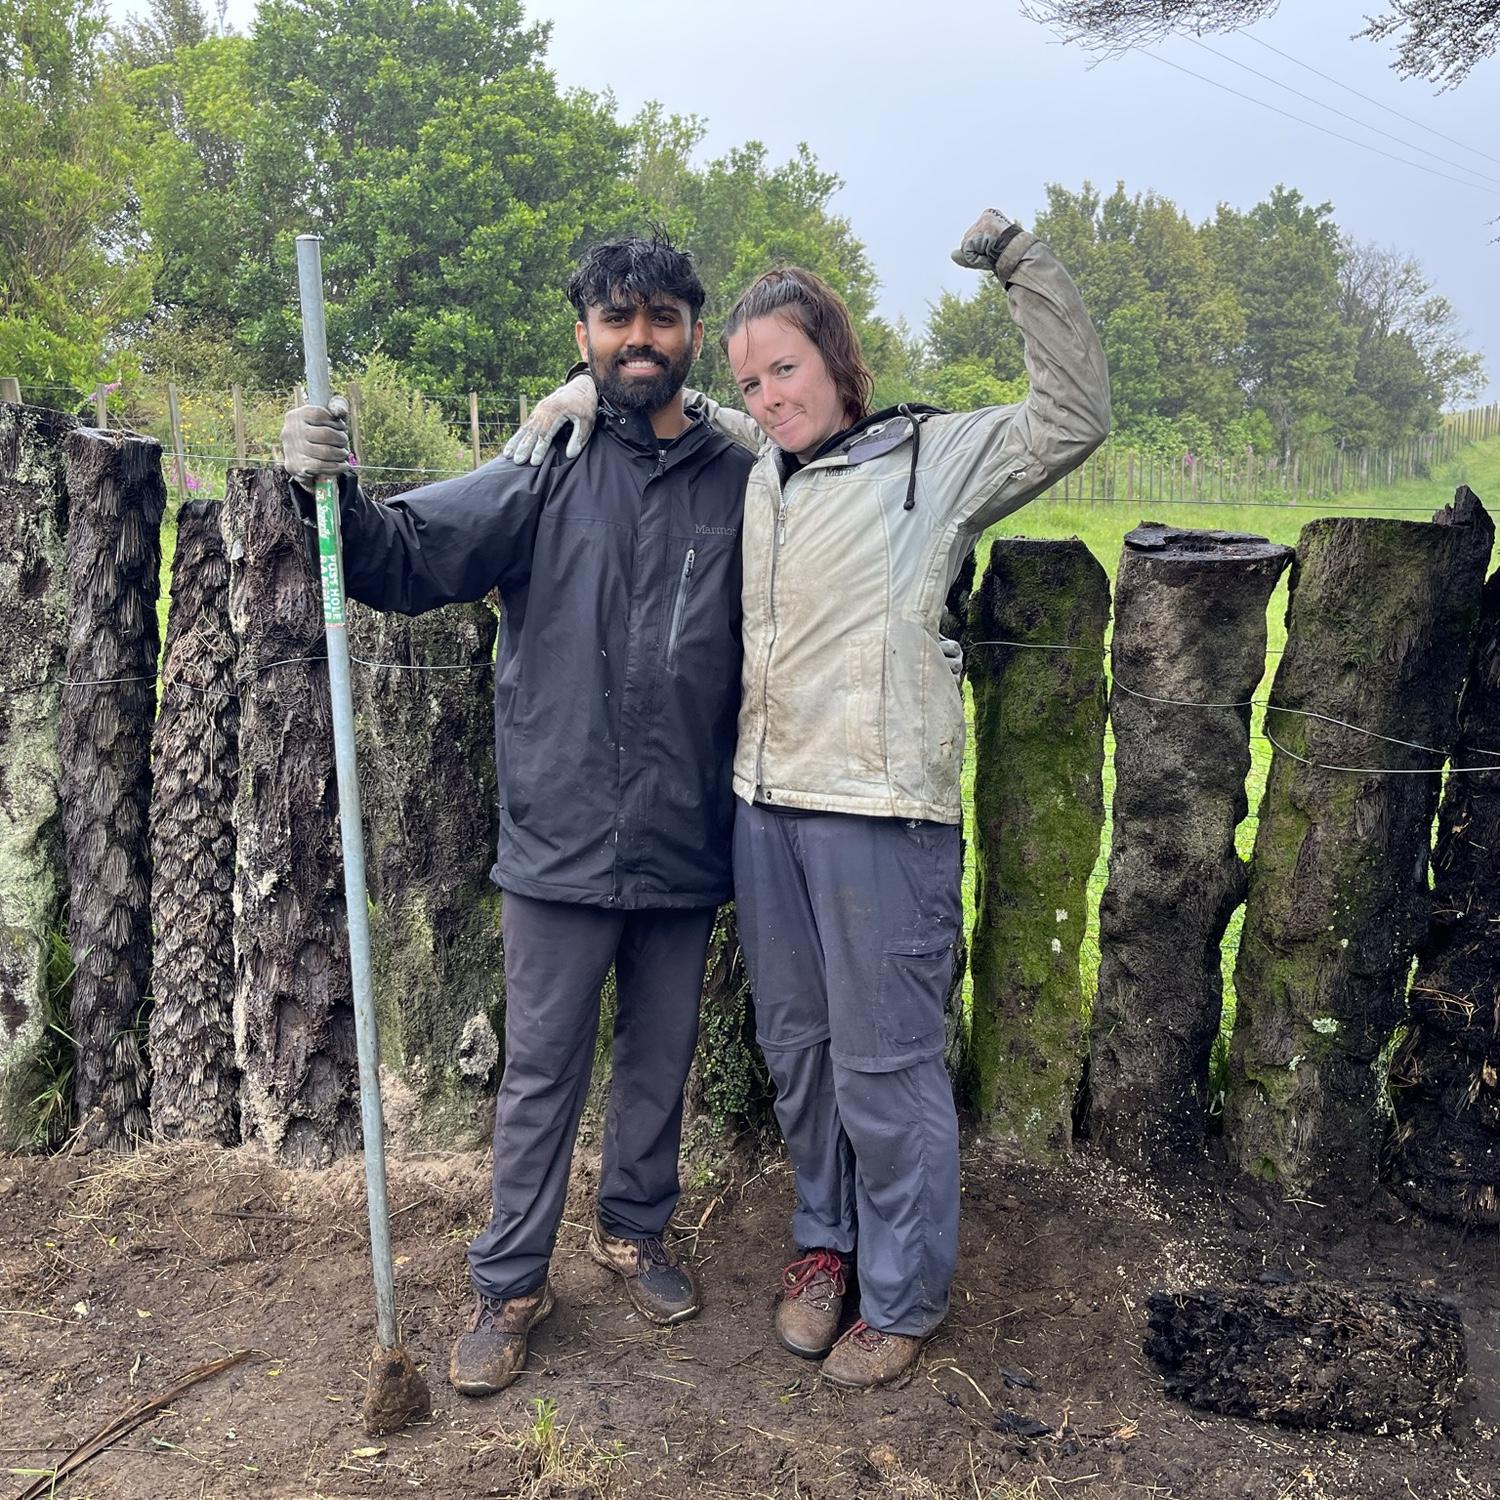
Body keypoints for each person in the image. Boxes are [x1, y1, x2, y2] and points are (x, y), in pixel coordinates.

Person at [508, 206, 1110, 1390]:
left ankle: (901, 1295)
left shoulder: (929, 462)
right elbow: (660, 398)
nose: (770, 393)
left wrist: (1018, 263)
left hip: (881, 813)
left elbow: (1075, 416)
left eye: (787, 368)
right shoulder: (756, 473)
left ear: (838, 361)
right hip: (762, 813)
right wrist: (570, 398)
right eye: (752, 378)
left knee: (886, 1067)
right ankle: (823, 1250)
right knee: (800, 1054)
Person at [279, 236, 757, 1398]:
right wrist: (324, 485)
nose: (635, 337)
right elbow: (400, 559)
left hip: (689, 831)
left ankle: (635, 1229)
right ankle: (509, 1283)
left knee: (659, 1059)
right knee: (542, 1069)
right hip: (561, 831)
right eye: (612, 318)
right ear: (581, 335)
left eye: (658, 316)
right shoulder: (543, 465)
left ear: (694, 329)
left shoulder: (744, 482)